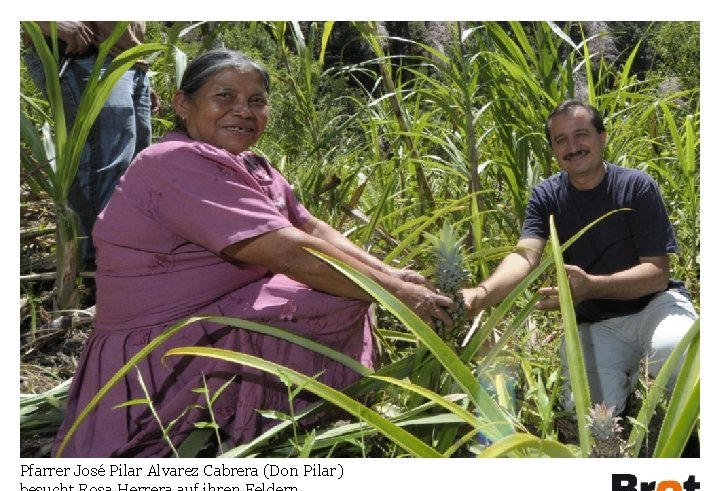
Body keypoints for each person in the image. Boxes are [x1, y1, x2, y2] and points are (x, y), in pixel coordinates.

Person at [52, 48, 452, 458]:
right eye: (224, 97)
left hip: (211, 314)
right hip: (165, 343)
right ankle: (245, 427)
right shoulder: (173, 162)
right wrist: (393, 293)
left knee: (345, 287)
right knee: (334, 291)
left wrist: (390, 275)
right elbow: (289, 252)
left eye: (256, 101)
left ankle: (285, 419)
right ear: (182, 104)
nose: (243, 111)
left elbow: (308, 226)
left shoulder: (249, 163)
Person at [462, 100, 697, 416]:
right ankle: (621, 399)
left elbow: (656, 273)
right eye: (561, 140)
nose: (572, 147)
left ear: (602, 137)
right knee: (587, 414)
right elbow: (524, 256)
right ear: (553, 150)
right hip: (598, 323)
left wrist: (591, 286)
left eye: (581, 135)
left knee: (680, 354)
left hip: (654, 306)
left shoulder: (636, 186)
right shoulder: (547, 196)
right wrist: (479, 295)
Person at [23, 21, 154, 270]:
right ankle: (97, 267)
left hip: (130, 63)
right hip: (84, 56)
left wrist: (139, 71)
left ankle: (125, 256)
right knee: (103, 164)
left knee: (136, 168)